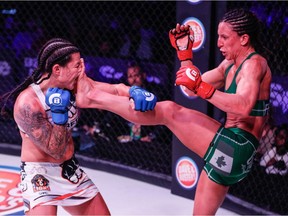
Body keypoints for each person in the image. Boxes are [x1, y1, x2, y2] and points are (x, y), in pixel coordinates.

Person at [75, 8, 271, 215]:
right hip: (228, 155)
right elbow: (189, 88)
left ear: (244, 39)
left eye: (224, 37)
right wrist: (185, 54)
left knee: (169, 110)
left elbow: (242, 105)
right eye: (218, 37)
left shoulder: (254, 64)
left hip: (238, 147)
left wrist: (201, 87)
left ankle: (93, 97)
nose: (219, 43)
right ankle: (92, 91)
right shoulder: (229, 65)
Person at [0, 38, 157, 215]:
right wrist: (59, 116)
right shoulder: (28, 103)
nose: (82, 69)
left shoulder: (74, 85)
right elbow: (55, 150)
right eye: (77, 65)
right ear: (57, 70)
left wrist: (133, 91)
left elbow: (111, 89)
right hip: (40, 176)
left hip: (69, 169)